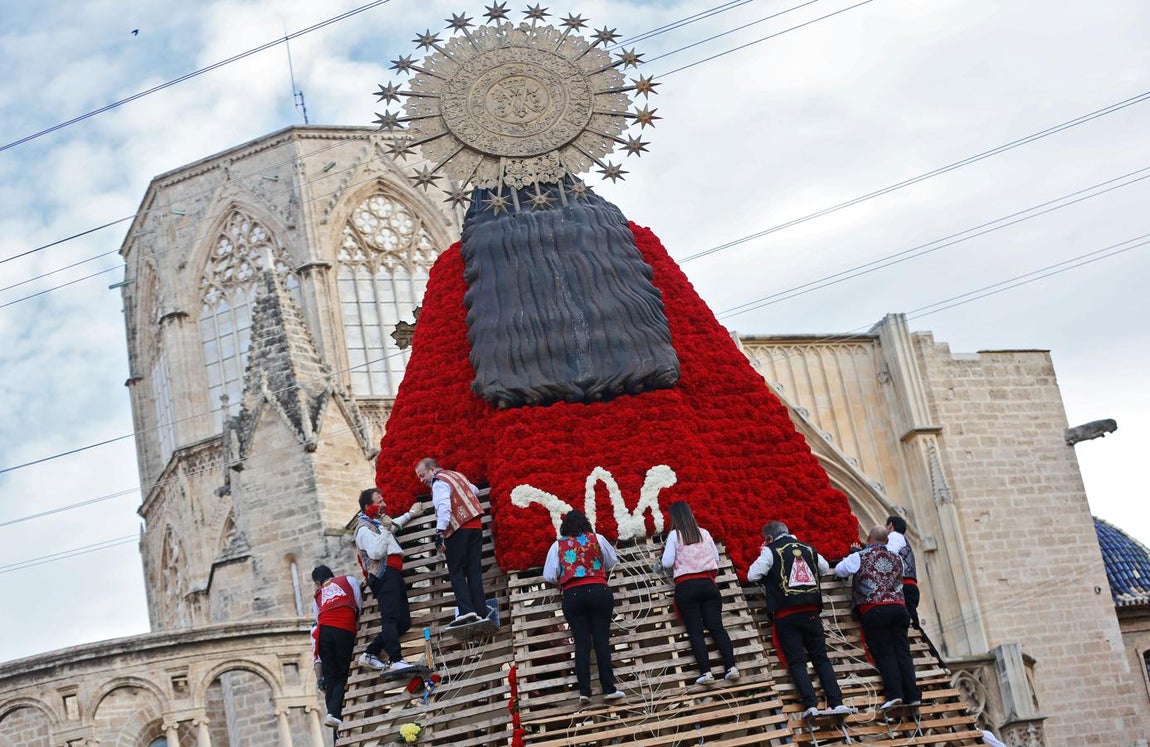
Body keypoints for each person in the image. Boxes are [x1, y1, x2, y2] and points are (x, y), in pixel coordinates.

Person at [748, 520, 850, 718]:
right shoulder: (808, 548)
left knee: (797, 661)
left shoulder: (770, 550)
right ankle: (836, 702)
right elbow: (824, 568)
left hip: (786, 614)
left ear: (769, 538)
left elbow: (753, 575)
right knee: (821, 658)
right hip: (811, 611)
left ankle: (811, 705)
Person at [834, 525, 921, 711]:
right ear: (887, 541)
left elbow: (840, 570)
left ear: (868, 538)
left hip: (875, 610)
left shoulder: (860, 556)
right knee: (903, 653)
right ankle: (913, 696)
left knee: (885, 652)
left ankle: (895, 694)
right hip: (899, 609)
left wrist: (854, 553)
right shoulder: (897, 557)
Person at [542, 509, 625, 703]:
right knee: (601, 641)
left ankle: (585, 692)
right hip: (598, 590)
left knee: (581, 643)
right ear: (586, 523)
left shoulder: (558, 545)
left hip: (573, 594)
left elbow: (549, 575)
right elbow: (612, 561)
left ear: (564, 527)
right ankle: (608, 688)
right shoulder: (597, 539)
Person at [656, 501, 739, 685]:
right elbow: (716, 559)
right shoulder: (704, 533)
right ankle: (731, 667)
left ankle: (706, 673)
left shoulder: (674, 535)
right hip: (708, 585)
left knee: (695, 631)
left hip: (687, 587)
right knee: (717, 627)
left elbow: (668, 562)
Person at [354, 487, 423, 673]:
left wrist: (410, 514)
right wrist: (385, 528)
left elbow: (393, 525)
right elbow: (376, 552)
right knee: (391, 618)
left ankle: (371, 652)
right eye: (379, 501)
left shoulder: (377, 523)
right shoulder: (363, 529)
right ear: (368, 506)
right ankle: (395, 659)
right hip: (383, 575)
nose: (384, 504)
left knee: (404, 622)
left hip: (393, 572)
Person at [415, 458, 489, 626]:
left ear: (432, 469)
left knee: (456, 572)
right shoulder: (457, 476)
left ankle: (466, 611)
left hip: (458, 529)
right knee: (474, 571)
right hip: (475, 526)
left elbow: (444, 506)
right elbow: (474, 490)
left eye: (422, 475)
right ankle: (480, 611)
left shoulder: (439, 482)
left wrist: (439, 531)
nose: (421, 480)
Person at [311, 564, 363, 729]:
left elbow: (318, 618)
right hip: (343, 628)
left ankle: (331, 713)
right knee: (342, 673)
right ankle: (334, 713)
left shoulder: (318, 594)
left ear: (318, 582)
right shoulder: (348, 580)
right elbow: (358, 603)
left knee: (330, 675)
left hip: (324, 633)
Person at [885, 515, 920, 628]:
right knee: (910, 620)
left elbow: (887, 553)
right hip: (908, 586)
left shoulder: (895, 536)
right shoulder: (902, 539)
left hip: (904, 586)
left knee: (911, 623)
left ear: (890, 525)